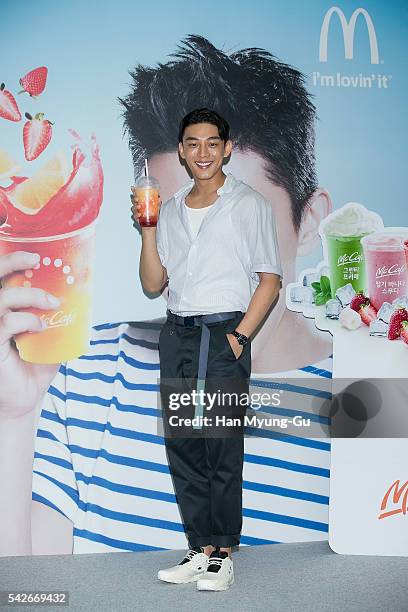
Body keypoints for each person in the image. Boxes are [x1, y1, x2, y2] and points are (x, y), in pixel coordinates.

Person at [0, 36, 332, 565]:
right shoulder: (82, 373)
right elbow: (27, 592)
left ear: (309, 220)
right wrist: (13, 418)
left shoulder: (372, 395)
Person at [132, 107, 282, 590]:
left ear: (227, 148)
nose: (202, 152)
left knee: (221, 447)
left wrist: (240, 336)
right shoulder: (170, 208)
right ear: (181, 149)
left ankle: (222, 553)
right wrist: (149, 229)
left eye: (212, 143)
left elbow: (270, 279)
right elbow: (153, 285)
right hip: (177, 334)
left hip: (223, 336)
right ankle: (199, 548)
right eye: (192, 143)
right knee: (185, 447)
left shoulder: (249, 204)